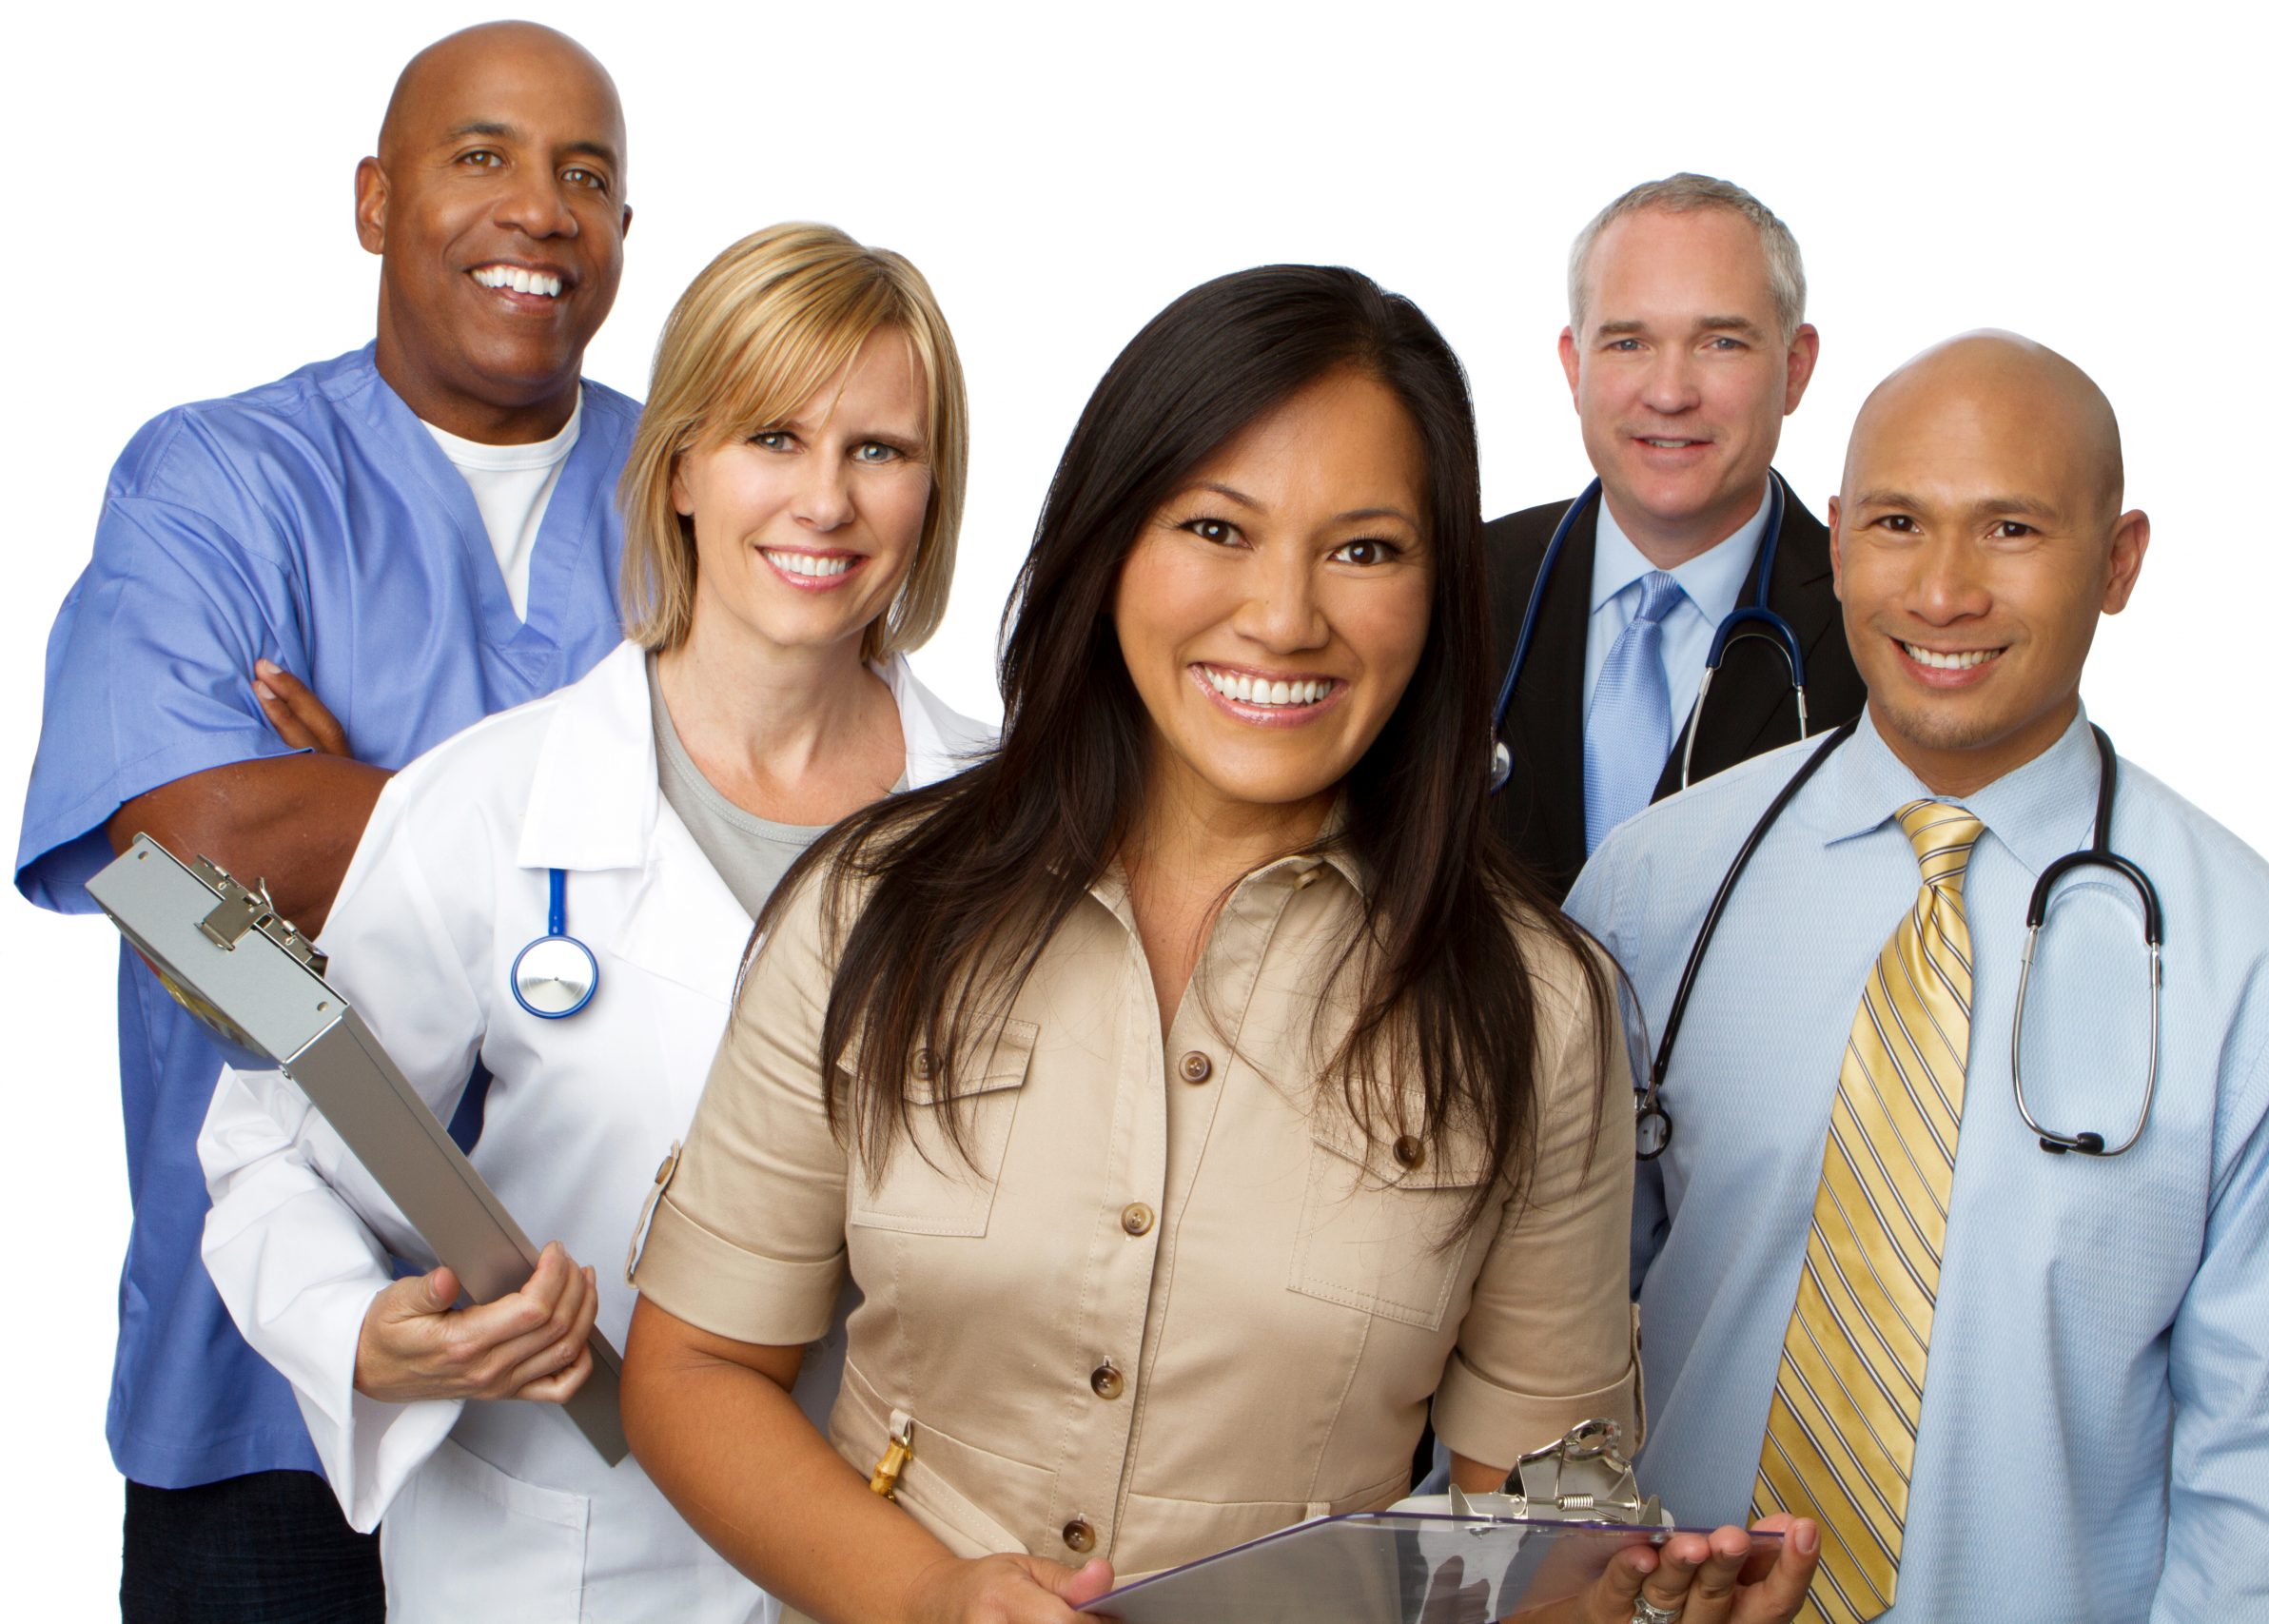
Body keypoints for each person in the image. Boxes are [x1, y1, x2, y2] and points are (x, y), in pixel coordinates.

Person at [618, 264, 1819, 1624]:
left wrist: (1635, 1606)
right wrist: (930, 1595)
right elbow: (696, 1364)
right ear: (1109, 538)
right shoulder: (875, 907)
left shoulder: (1534, 1008)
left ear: (1439, 589)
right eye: (1218, 528)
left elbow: (1531, 1521)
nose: (1286, 616)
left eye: (1365, 548)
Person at [194, 223, 990, 1624]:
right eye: (771, 437)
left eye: (880, 450)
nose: (825, 500)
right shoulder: (494, 802)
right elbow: (271, 1137)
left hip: (914, 1546)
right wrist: (364, 1333)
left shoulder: (1012, 822)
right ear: (678, 463)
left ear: (935, 487)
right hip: (567, 1550)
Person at [1569, 332, 2269, 1621]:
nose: (1944, 591)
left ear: (2119, 560)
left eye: (2011, 528)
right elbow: (1537, 1329)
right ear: (1838, 540)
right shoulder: (1651, 891)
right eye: (1901, 521)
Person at [12, 21, 636, 1618]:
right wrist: (609, 824)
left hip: (629, 1376)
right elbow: (191, 878)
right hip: (263, 1398)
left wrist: (363, 782)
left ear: (626, 232)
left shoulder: (709, 490)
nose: (541, 209)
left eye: (588, 174)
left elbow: (807, 865)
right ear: (376, 198)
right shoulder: (217, 483)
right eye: (481, 155)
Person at [1487, 174, 1864, 897]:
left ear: (1796, 367)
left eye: (1720, 342)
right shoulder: (1452, 585)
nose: (1669, 392)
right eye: (1629, 342)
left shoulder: (1873, 625)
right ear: (1575, 366)